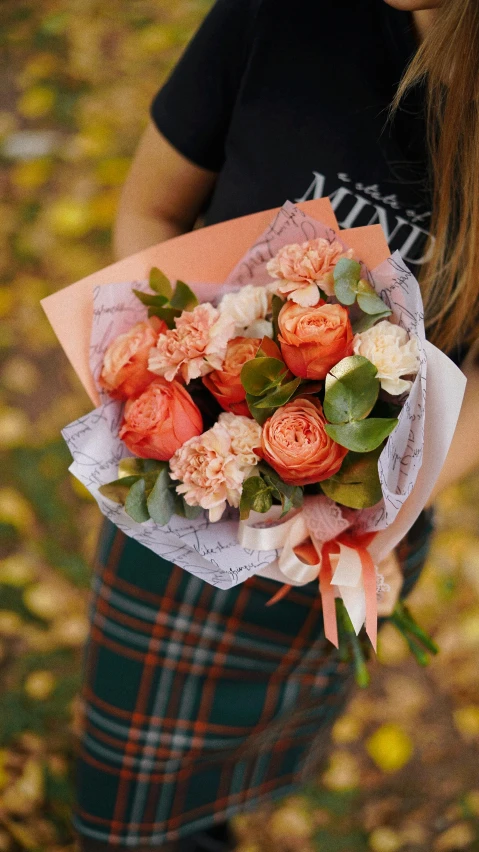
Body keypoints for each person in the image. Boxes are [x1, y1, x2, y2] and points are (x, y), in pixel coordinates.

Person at [75, 1, 479, 850]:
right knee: (125, 804)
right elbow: (149, 213)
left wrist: (376, 523)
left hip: (354, 535)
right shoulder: (275, 14)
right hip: (183, 500)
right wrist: (164, 388)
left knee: (227, 775)